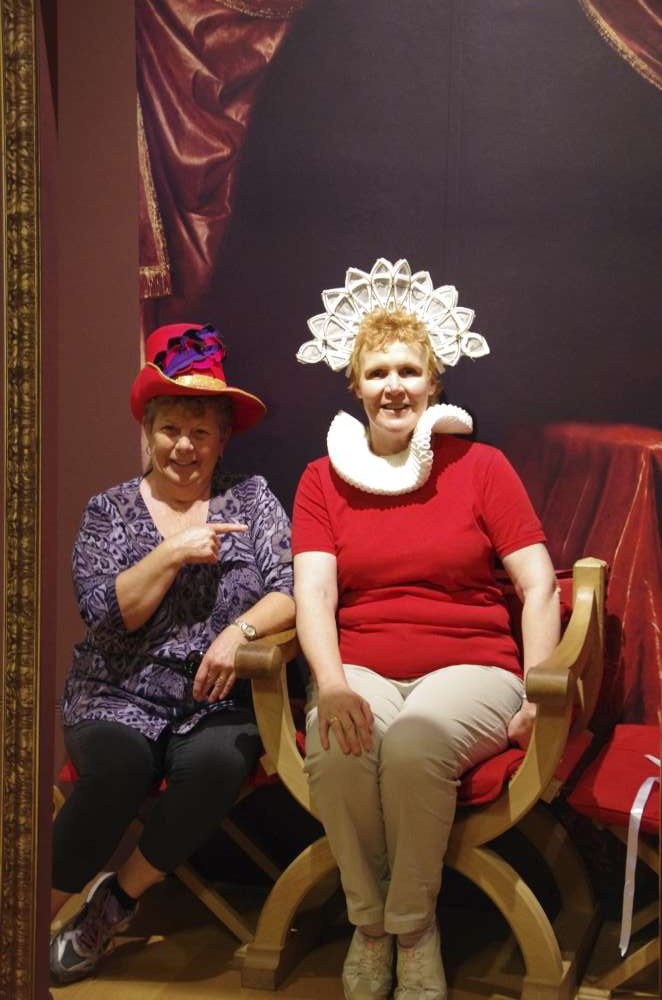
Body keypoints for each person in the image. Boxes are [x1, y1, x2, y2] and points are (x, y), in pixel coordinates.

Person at [292, 259, 560, 1000]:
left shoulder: (481, 466)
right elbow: (314, 591)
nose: (394, 387)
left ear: (434, 382)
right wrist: (332, 684)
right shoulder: (321, 479)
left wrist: (538, 690)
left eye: (409, 371)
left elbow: (538, 583)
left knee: (415, 742)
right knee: (337, 745)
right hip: (364, 667)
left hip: (474, 667)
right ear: (355, 385)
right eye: (377, 372)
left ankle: (412, 931)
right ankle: (369, 926)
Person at [50, 322, 295, 983]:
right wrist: (171, 552)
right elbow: (108, 613)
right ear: (148, 433)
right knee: (117, 772)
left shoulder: (251, 498)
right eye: (170, 429)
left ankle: (115, 902)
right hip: (116, 693)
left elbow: (291, 590)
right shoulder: (108, 511)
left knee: (217, 764)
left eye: (201, 431)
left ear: (222, 439)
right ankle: (21, 924)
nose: (184, 445)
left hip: (214, 699)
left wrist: (238, 633)